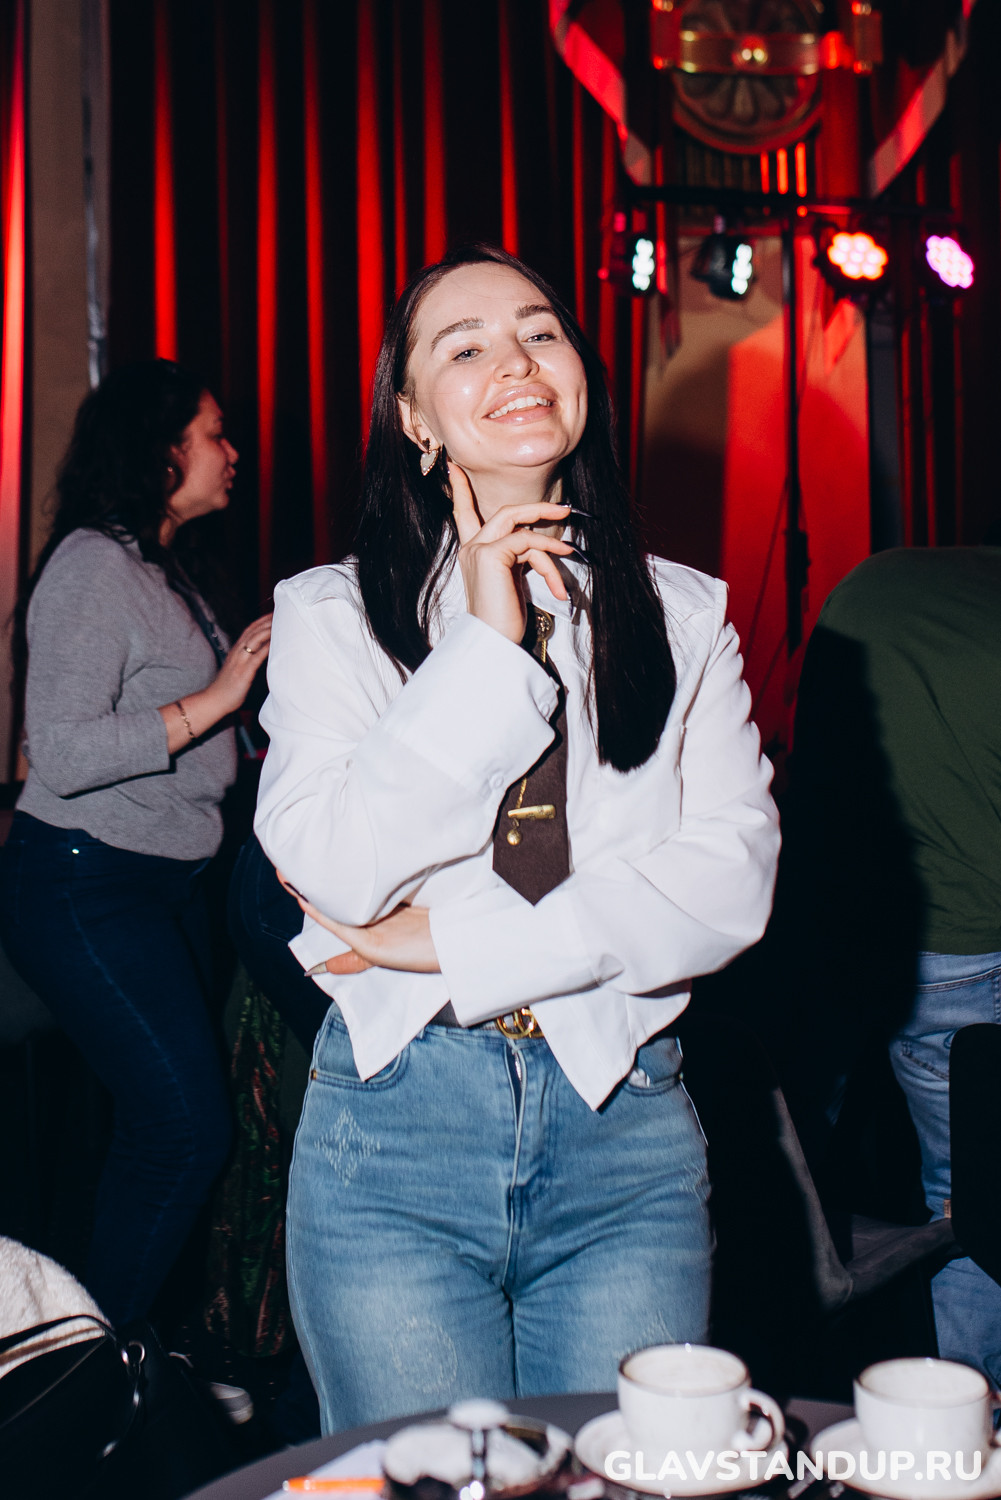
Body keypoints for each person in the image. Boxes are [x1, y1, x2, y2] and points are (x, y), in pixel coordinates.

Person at [254, 245, 779, 1431]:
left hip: (623, 1130)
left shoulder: (683, 613)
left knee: (619, 1476)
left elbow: (729, 885)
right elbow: (330, 865)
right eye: (465, 346)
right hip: (396, 1136)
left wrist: (455, 943)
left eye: (540, 333)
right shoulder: (330, 615)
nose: (515, 362)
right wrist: (486, 648)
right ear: (413, 419)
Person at [0, 359, 272, 1328]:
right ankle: (83, 1362)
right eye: (214, 433)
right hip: (86, 884)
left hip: (158, 885)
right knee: (183, 1131)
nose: (231, 452)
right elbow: (64, 753)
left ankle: (133, 1351)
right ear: (161, 453)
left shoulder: (161, 569)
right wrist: (220, 698)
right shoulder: (93, 566)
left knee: (164, 1129)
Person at [780, 545, 1001, 1385]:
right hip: (961, 945)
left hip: (827, 927)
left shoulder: (875, 579)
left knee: (789, 1181)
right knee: (976, 1208)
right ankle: (969, 1417)